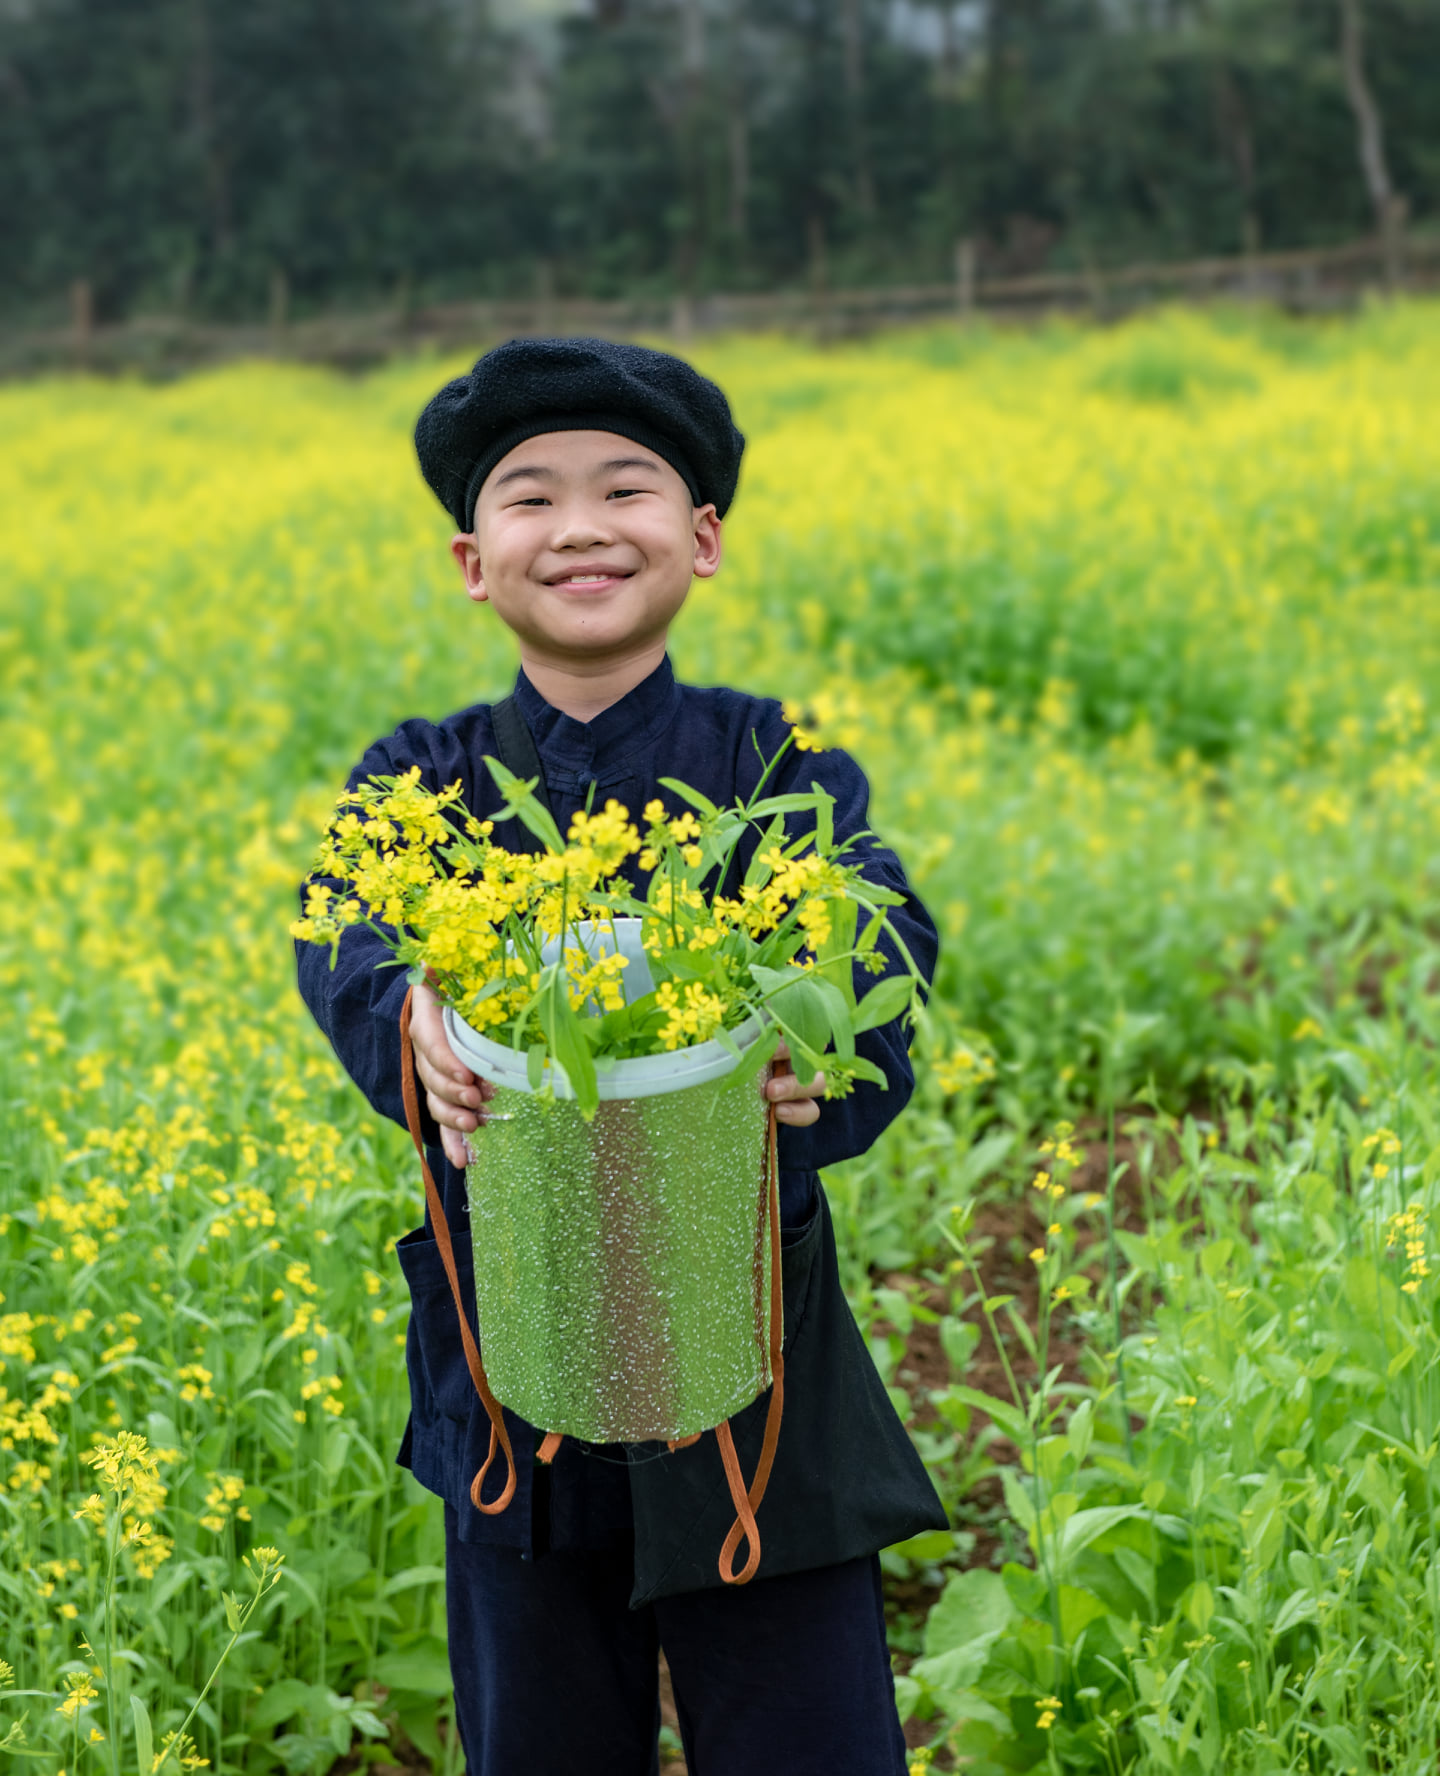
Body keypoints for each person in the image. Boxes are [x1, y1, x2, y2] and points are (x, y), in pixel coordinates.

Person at [295, 337, 945, 1776]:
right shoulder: (421, 775)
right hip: (513, 1372)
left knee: (809, 1743)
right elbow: (338, 925)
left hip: (755, 1367)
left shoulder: (773, 761)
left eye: (626, 489)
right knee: (541, 1743)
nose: (580, 526)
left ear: (700, 540)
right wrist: (400, 1001)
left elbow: (880, 925)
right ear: (474, 561)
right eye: (529, 499)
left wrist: (820, 1045)